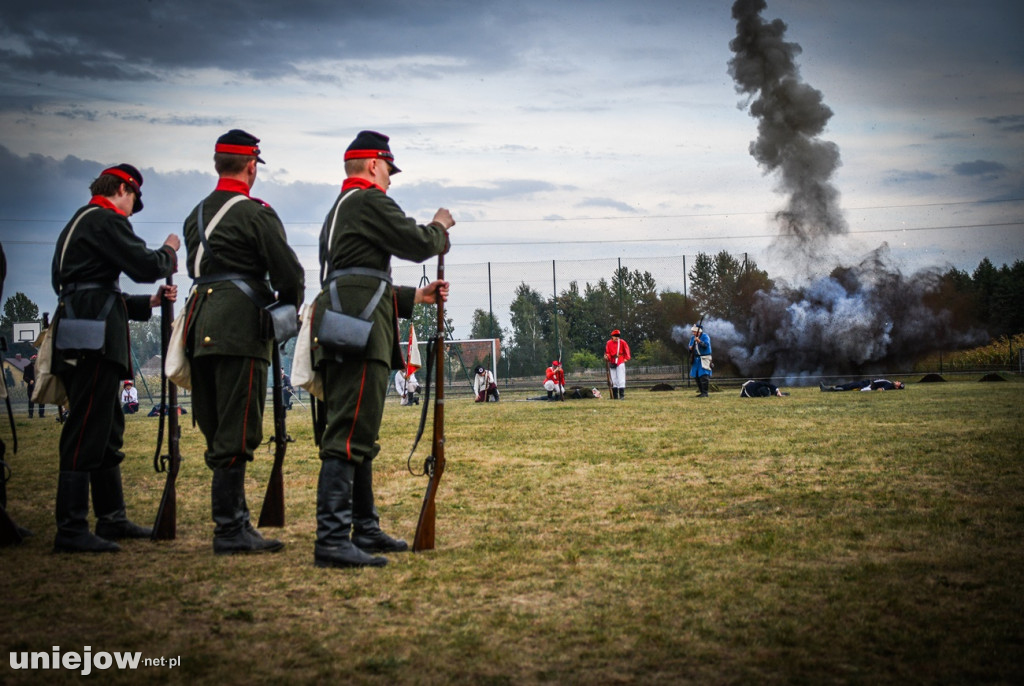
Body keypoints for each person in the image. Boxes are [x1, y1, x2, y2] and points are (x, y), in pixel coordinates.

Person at [310, 130, 452, 569]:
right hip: (359, 328)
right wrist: (439, 229)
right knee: (349, 433)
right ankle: (333, 539)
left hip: (343, 320)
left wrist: (413, 299)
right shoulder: (368, 200)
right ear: (374, 164)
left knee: (360, 430)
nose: (390, 179)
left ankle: (364, 526)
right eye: (389, 169)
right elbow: (415, 242)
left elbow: (358, 272)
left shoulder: (339, 208)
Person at [182, 129, 305, 555]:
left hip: (200, 328)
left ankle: (233, 523)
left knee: (217, 428)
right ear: (252, 165)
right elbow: (289, 273)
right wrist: (287, 307)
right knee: (237, 429)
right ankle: (230, 529)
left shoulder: (195, 215)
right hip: (240, 329)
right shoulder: (256, 213)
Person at [50, 163, 179, 553]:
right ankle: (71, 529)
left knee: (105, 430)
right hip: (92, 336)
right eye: (133, 199)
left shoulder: (83, 221)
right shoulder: (104, 219)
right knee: (87, 428)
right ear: (123, 188)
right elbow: (143, 265)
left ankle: (111, 518)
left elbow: (100, 286)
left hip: (87, 324)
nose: (131, 210)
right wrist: (169, 252)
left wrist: (150, 302)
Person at [604, 329, 631, 399]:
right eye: (615, 336)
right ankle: (615, 396)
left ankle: (622, 396)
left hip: (620, 360)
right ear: (612, 336)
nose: (616, 337)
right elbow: (608, 352)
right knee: (613, 379)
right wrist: (607, 356)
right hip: (612, 361)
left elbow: (626, 350)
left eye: (617, 336)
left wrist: (626, 358)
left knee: (621, 378)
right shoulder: (608, 343)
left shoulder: (622, 342)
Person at [688, 324, 712, 398]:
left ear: (698, 331)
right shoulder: (692, 338)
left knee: (703, 375)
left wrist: (699, 341)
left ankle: (705, 393)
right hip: (696, 359)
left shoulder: (705, 336)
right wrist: (690, 348)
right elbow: (690, 348)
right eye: (693, 331)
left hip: (704, 358)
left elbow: (706, 346)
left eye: (694, 331)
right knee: (696, 376)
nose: (693, 333)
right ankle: (702, 392)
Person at [820, 379, 905, 392]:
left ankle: (828, 389)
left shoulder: (889, 385)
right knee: (849, 385)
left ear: (897, 387)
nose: (897, 381)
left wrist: (881, 389)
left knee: (849, 386)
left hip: (866, 385)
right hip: (867, 382)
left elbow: (881, 389)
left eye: (898, 383)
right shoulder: (889, 383)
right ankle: (834, 387)